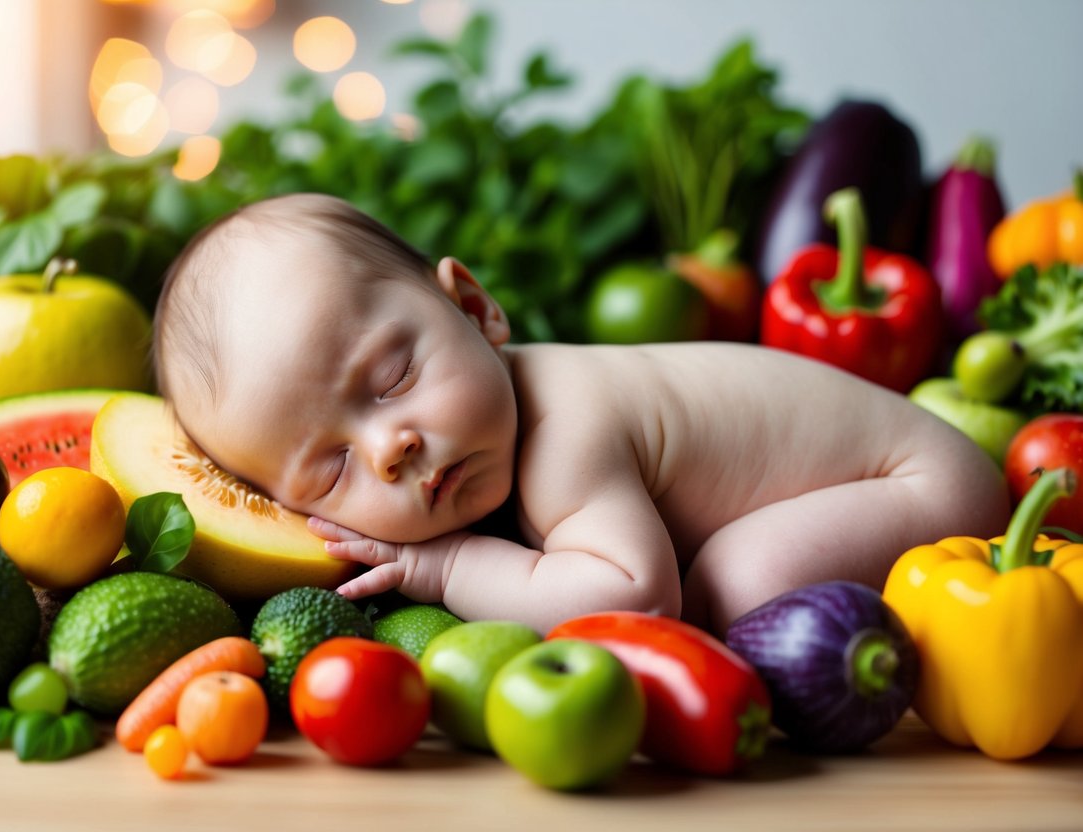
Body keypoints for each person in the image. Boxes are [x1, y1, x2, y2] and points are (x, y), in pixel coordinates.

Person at [152, 193, 1010, 635]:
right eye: (331, 468)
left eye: (393, 377)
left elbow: (633, 596)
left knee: (736, 585)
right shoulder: (491, 427)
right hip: (888, 482)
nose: (392, 446)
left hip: (922, 484)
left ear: (476, 308)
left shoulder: (565, 430)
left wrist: (443, 572)